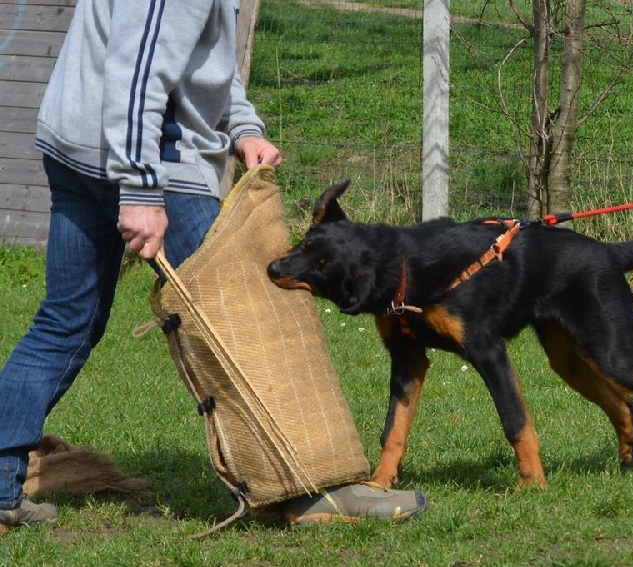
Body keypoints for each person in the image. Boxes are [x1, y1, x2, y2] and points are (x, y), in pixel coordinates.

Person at [0, 0, 427, 529]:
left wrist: (242, 126)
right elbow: (140, 66)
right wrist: (138, 187)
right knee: (255, 322)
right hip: (154, 163)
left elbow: (197, 57)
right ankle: (311, 492)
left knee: (64, 322)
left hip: (76, 148)